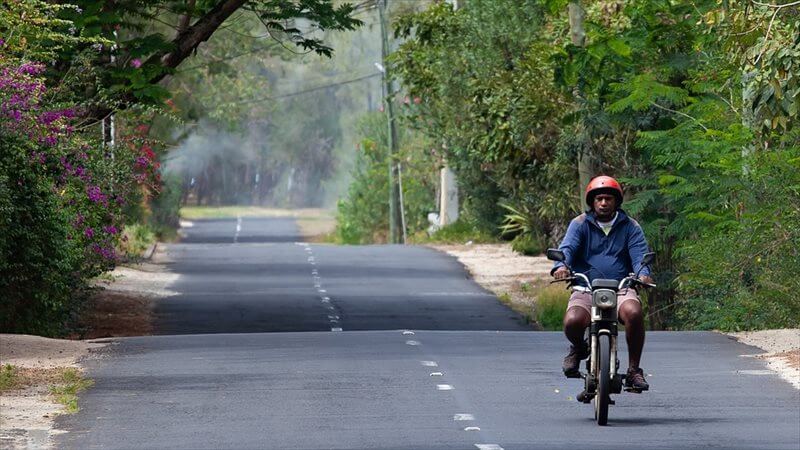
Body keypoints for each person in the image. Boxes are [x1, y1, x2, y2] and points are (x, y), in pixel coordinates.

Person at [551, 175, 653, 391]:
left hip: (622, 287)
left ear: (616, 201)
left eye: (608, 198)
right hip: (586, 288)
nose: (604, 203)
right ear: (592, 201)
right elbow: (567, 249)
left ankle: (634, 370)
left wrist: (643, 274)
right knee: (572, 320)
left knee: (634, 312)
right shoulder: (579, 224)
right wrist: (561, 267)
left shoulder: (630, 227)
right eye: (599, 199)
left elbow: (639, 255)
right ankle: (579, 348)